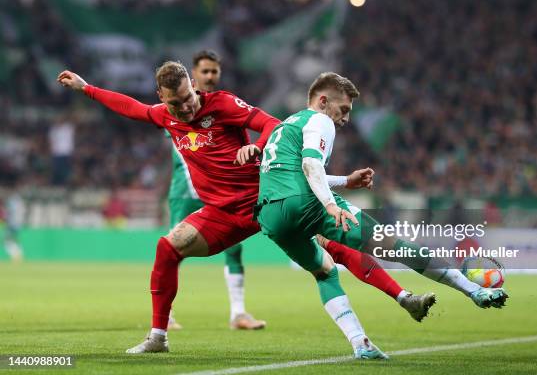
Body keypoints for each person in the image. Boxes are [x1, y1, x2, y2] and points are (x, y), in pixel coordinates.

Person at [57, 63, 415, 359]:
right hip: (223, 213)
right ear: (162, 99)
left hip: (268, 199)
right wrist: (86, 88)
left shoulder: (223, 104)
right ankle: (158, 337)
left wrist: (257, 148)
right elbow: (129, 107)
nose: (184, 108)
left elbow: (272, 124)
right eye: (174, 104)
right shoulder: (167, 117)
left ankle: (402, 297)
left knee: (335, 248)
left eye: (187, 98)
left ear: (193, 86)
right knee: (168, 246)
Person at [256, 71, 509, 334]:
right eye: (343, 109)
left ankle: (360, 343)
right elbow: (311, 164)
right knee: (396, 247)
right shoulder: (320, 121)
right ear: (322, 101)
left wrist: (345, 180)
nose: (346, 118)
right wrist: (330, 205)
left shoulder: (285, 126)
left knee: (325, 272)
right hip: (306, 205)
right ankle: (474, 291)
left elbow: (294, 173)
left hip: (270, 216)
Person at [166, 50, 265, 331]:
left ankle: (238, 313)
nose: (210, 76)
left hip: (222, 192)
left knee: (234, 248)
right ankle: (167, 313)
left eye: (214, 71)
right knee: (174, 249)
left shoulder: (222, 105)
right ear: (192, 75)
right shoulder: (178, 106)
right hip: (186, 190)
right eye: (204, 71)